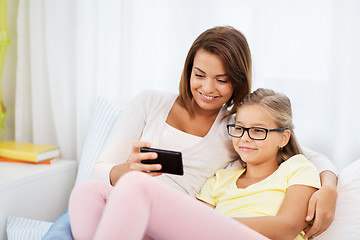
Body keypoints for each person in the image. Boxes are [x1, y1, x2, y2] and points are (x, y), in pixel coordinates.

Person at [87, 26, 336, 237]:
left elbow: (304, 154)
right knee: (87, 194)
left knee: (133, 189)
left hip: (168, 219)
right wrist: (126, 170)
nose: (207, 88)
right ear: (188, 72)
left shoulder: (236, 129)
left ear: (237, 81)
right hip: (124, 203)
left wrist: (329, 188)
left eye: (221, 79)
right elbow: (97, 172)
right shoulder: (149, 102)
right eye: (199, 75)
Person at [68, 88, 321, 240]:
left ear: (283, 137)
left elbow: (287, 227)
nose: (245, 138)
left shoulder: (297, 168)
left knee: (136, 184)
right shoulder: (221, 178)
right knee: (87, 193)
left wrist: (216, 226)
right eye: (240, 128)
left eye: (258, 131)